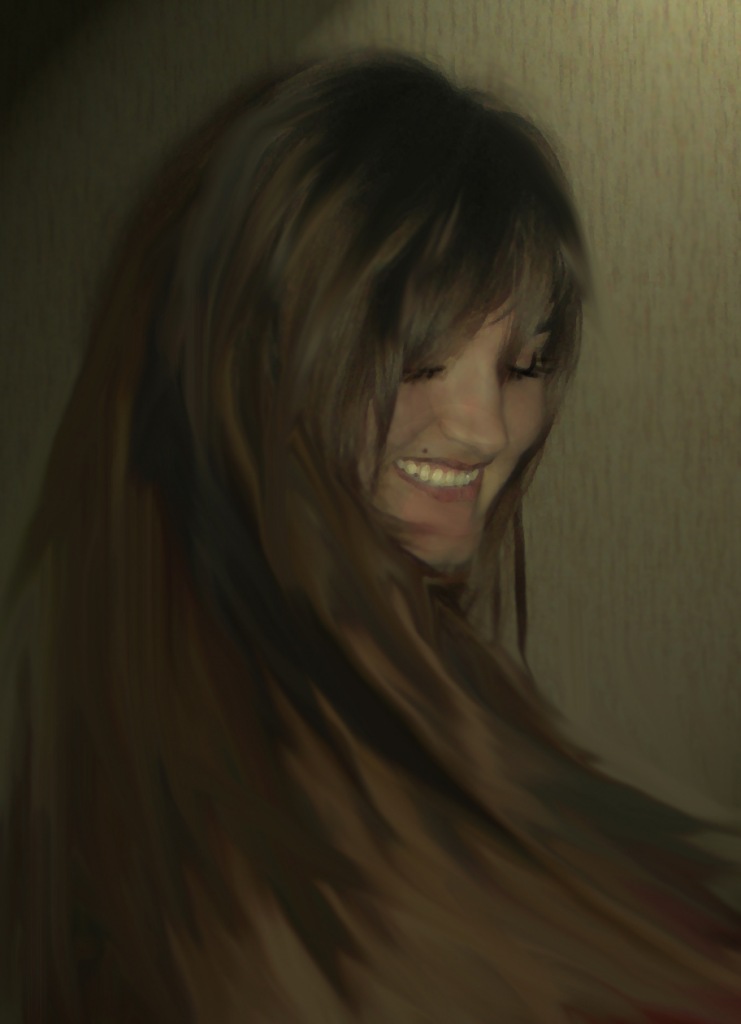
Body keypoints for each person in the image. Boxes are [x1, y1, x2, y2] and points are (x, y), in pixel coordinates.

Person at [2, 49, 741, 1024]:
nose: (483, 428)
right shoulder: (249, 816)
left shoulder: (414, 678)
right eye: (418, 355)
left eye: (523, 363)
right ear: (249, 357)